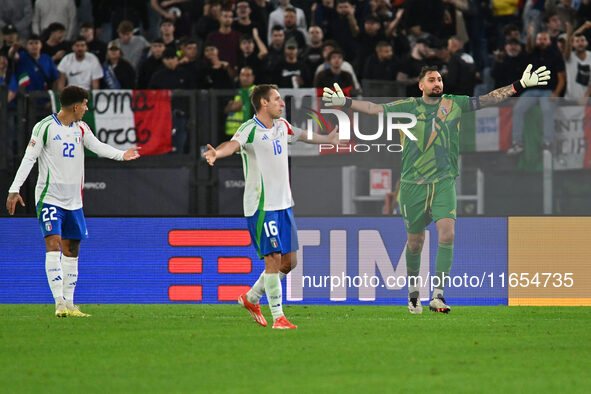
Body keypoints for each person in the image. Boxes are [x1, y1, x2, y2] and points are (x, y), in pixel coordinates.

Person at [322, 63, 550, 314]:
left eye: (439, 79)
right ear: (421, 85)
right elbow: (375, 109)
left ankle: (438, 296)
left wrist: (518, 86)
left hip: (444, 182)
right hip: (412, 187)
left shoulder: (454, 104)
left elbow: (487, 99)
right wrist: (346, 103)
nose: (437, 83)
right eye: (431, 80)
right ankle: (412, 293)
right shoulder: (408, 107)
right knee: (415, 243)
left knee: (447, 233)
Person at [203, 84, 339, 329]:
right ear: (263, 103)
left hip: (284, 204)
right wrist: (217, 154)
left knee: (289, 262)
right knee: (273, 259)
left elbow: (303, 134)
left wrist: (327, 138)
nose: (282, 103)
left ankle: (251, 298)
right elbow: (231, 145)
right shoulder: (249, 129)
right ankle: (279, 317)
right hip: (262, 206)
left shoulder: (281, 126)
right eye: (277, 99)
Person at [5, 85, 141, 317]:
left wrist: (121, 154)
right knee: (54, 244)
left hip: (74, 201)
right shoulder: (45, 127)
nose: (86, 109)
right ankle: (58, 302)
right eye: (86, 105)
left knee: (72, 248)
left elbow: (96, 146)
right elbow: (30, 158)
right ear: (76, 106)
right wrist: (14, 189)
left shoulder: (81, 128)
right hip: (49, 197)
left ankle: (69, 303)